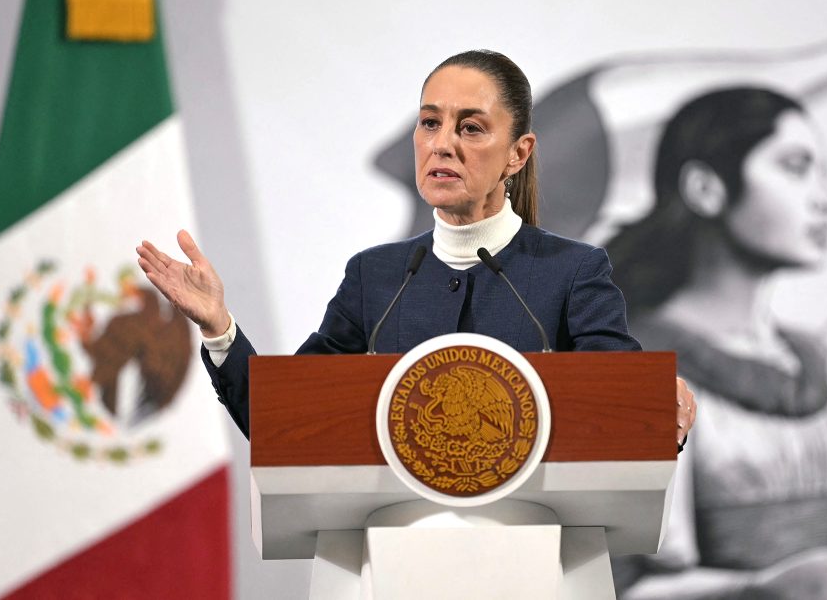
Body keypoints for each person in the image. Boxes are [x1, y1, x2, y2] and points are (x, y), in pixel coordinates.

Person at [135, 49, 697, 442]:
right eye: (430, 123)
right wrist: (218, 327)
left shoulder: (573, 271)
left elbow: (623, 414)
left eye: (471, 128)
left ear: (518, 154)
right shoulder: (375, 277)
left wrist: (659, 405)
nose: (442, 144)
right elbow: (285, 418)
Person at [605, 87, 827, 599]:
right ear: (705, 188)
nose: (826, 198)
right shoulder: (624, 367)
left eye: (823, 172)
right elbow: (605, 587)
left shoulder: (820, 367)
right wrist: (759, 588)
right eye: (796, 167)